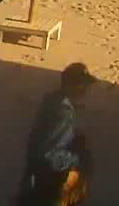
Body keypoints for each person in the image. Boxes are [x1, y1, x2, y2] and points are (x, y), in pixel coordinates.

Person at [17, 63, 96, 205]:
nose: (85, 89)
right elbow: (48, 152)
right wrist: (76, 161)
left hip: (38, 177)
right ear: (72, 86)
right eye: (81, 85)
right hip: (48, 181)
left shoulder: (55, 101)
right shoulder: (62, 112)